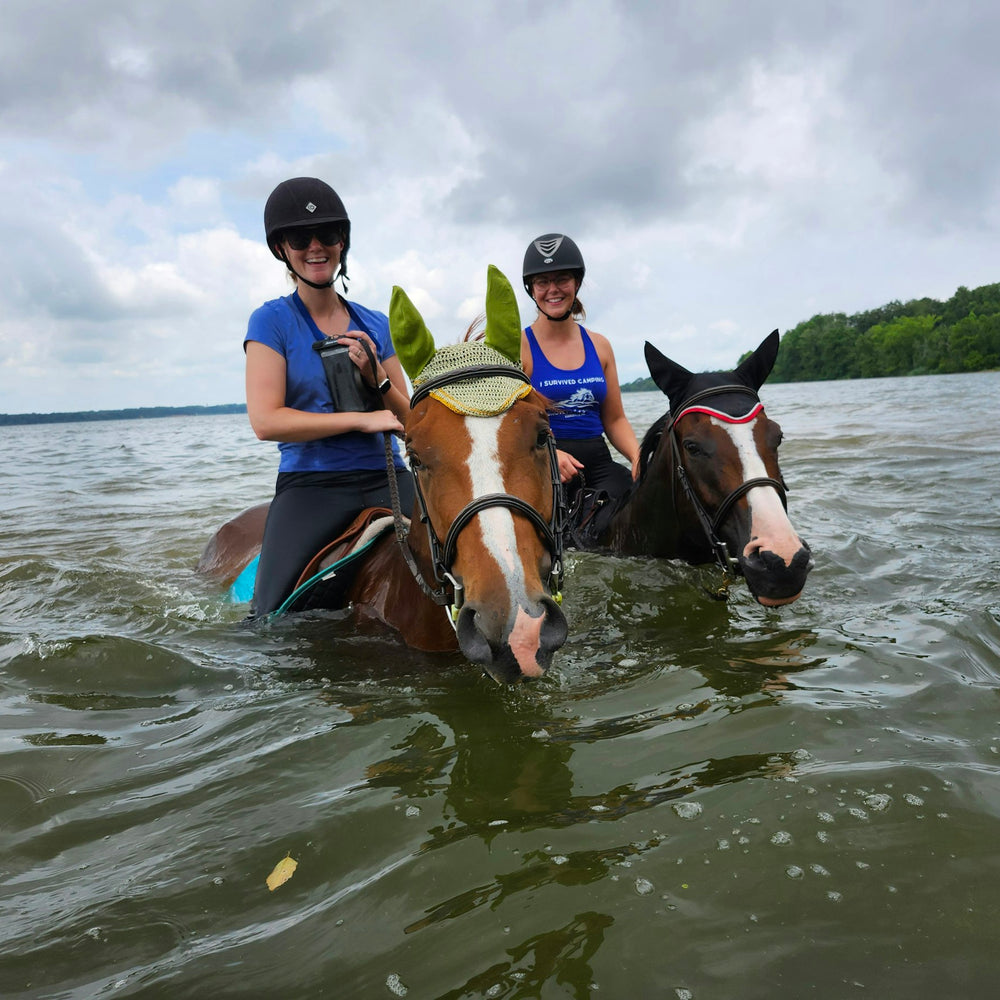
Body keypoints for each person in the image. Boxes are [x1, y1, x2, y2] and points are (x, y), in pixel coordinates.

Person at [244, 177, 415, 616]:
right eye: (301, 238)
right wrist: (360, 421)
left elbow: (413, 420)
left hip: (388, 477)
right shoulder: (271, 321)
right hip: (313, 485)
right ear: (282, 248)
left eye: (329, 235)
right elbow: (267, 421)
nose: (316, 247)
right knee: (268, 617)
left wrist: (377, 375)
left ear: (343, 243)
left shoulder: (375, 322)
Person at [520, 233, 640, 525]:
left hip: (598, 464)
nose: (553, 290)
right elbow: (511, 423)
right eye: (542, 282)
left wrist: (639, 458)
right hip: (542, 466)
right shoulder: (519, 347)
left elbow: (614, 420)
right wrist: (549, 454)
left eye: (562, 279)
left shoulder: (600, 346)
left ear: (576, 283)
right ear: (531, 289)